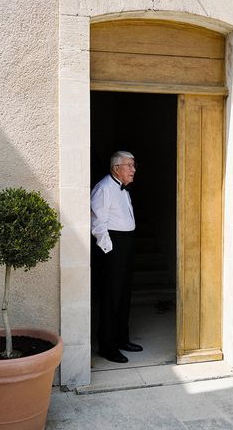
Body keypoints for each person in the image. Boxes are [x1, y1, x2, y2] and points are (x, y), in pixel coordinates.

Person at [91, 150, 143, 363]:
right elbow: (98, 223)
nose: (133, 169)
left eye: (133, 165)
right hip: (112, 248)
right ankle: (107, 346)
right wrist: (110, 251)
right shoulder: (104, 188)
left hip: (126, 244)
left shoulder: (124, 190)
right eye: (129, 165)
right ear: (116, 168)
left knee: (124, 295)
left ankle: (122, 339)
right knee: (110, 298)